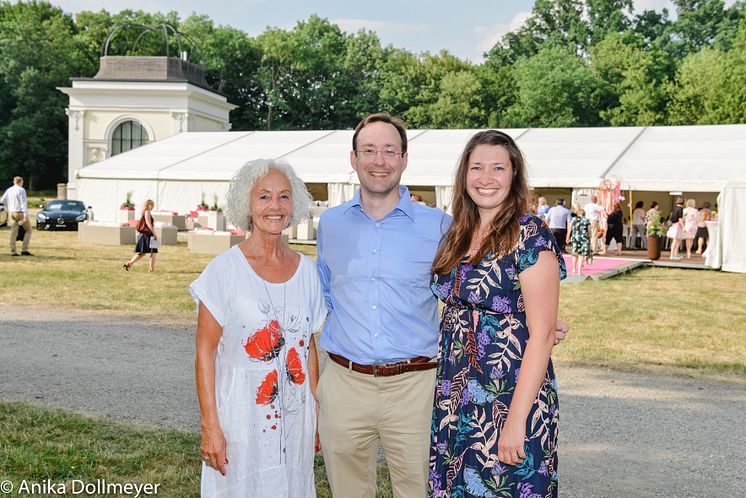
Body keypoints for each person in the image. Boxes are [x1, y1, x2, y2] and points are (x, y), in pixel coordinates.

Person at [315, 112, 570, 497]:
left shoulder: (448, 227)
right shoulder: (457, 233)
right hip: (448, 396)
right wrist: (537, 324)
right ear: (353, 159)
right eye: (368, 150)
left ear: (404, 159)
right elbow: (325, 296)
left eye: (498, 168)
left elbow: (531, 316)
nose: (379, 160)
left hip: (452, 389)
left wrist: (542, 330)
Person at [429, 130, 564, 496]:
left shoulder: (531, 235)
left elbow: (541, 334)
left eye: (498, 168)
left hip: (508, 395)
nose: (485, 178)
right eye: (476, 168)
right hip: (456, 395)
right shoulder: (458, 232)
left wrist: (516, 420)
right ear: (464, 175)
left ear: (514, 176)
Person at [191, 160, 327, 497]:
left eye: (283, 196)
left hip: (296, 415)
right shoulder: (223, 271)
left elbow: (307, 347)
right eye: (264, 197)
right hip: (240, 414)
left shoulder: (307, 273)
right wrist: (210, 424)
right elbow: (205, 351)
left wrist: (317, 412)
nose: (275, 206)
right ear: (247, 206)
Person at [123, 199, 159, 272]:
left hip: (144, 235)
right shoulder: (147, 212)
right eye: (152, 205)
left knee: (142, 253)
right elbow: (148, 223)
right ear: (149, 205)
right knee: (153, 251)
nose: (153, 207)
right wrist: (154, 233)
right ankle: (151, 268)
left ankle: (130, 263)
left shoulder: (144, 212)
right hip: (148, 234)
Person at [1, 176, 32, 256]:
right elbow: (23, 203)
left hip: (11, 213)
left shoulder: (9, 190)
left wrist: (9, 206)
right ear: (20, 182)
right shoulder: (21, 190)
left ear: (14, 182)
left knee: (13, 232)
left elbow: (2, 201)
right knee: (28, 230)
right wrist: (25, 215)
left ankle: (13, 251)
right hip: (20, 212)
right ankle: (24, 250)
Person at [567, 208, 591, 274]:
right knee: (581, 255)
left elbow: (569, 229)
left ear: (577, 213)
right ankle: (579, 271)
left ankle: (574, 269)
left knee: (574, 254)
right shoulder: (586, 220)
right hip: (584, 239)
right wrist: (590, 237)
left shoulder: (573, 219)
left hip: (575, 238)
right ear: (584, 214)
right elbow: (589, 230)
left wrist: (567, 237)